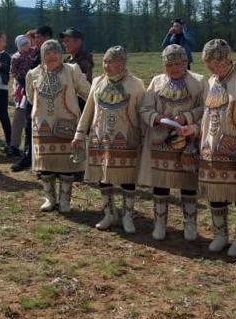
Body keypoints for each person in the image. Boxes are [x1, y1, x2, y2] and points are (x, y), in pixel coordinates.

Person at [197, 39, 236, 258]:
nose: (212, 68)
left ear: (226, 59)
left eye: (215, 63)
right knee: (216, 190)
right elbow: (207, 115)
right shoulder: (212, 81)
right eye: (208, 64)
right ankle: (220, 235)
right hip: (212, 147)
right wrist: (200, 137)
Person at [73, 46, 146, 232]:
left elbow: (142, 112)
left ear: (121, 64)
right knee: (103, 177)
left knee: (127, 177)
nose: (106, 65)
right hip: (100, 138)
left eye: (110, 62)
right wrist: (79, 134)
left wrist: (145, 137)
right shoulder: (97, 82)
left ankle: (128, 216)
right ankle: (109, 214)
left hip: (127, 138)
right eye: (104, 61)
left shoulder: (136, 84)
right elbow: (88, 110)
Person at [137, 44, 205, 240]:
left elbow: (205, 108)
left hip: (188, 143)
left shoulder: (199, 82)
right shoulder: (157, 82)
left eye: (178, 64)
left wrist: (187, 117)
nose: (174, 68)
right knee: (161, 183)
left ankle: (190, 224)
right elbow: (144, 109)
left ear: (185, 63)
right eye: (169, 64)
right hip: (161, 142)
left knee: (188, 183)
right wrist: (157, 118)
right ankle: (160, 223)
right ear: (163, 65)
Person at [25, 39, 92, 213]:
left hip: (67, 125)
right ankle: (49, 198)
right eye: (47, 53)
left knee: (66, 166)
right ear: (42, 56)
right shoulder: (33, 74)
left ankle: (64, 201)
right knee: (45, 165)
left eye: (55, 52)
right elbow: (31, 98)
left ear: (60, 54)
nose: (52, 56)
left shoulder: (72, 70)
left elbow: (88, 93)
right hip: (42, 126)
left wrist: (98, 110)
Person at [11, 27, 52, 172]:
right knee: (30, 127)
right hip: (32, 95)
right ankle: (29, 158)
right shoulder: (35, 53)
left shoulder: (51, 54)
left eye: (38, 37)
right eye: (35, 37)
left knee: (44, 129)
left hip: (46, 98)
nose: (36, 40)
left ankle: (43, 163)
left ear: (46, 37)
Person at [8, 34, 35, 159]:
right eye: (23, 45)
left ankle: (29, 146)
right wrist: (19, 78)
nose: (27, 46)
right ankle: (14, 145)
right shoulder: (16, 57)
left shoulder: (33, 52)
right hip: (21, 85)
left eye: (27, 43)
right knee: (20, 114)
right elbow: (13, 72)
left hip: (33, 84)